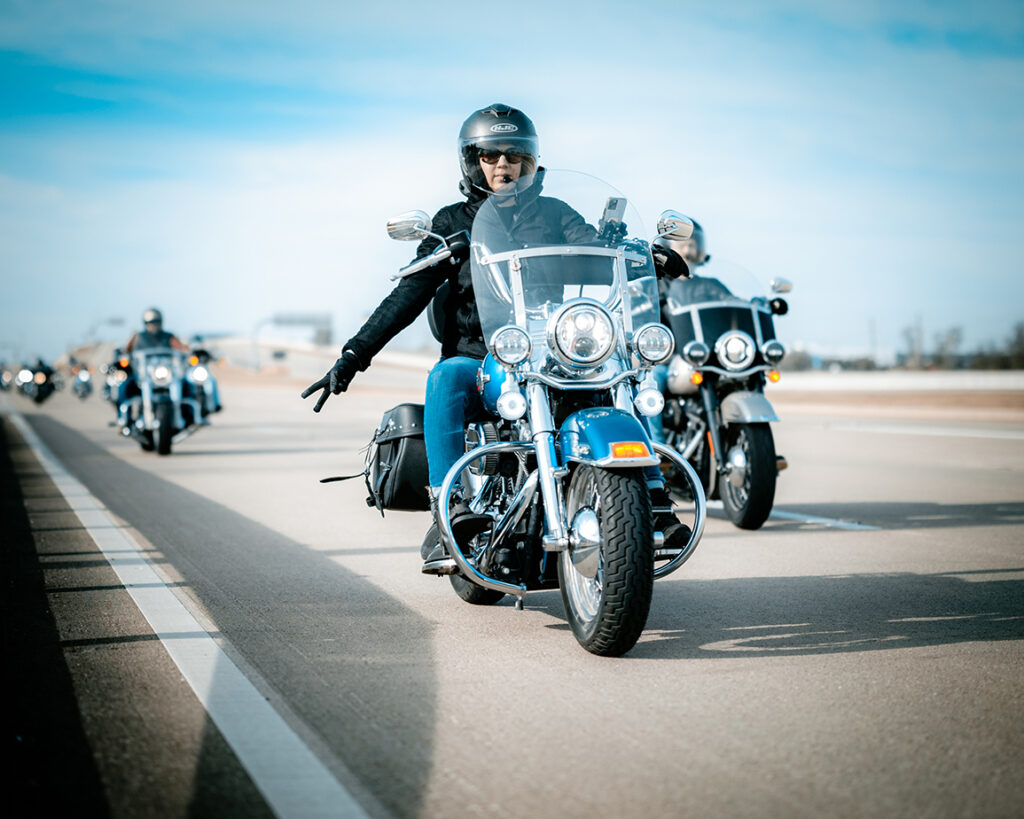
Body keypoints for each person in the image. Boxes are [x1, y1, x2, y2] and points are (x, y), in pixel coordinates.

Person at [302, 104, 689, 570]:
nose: (501, 163)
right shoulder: (450, 224)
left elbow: (593, 248)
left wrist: (638, 253)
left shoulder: (555, 213)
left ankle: (654, 497)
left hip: (554, 352)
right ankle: (448, 511)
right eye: (489, 154)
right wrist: (351, 357)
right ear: (472, 161)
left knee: (620, 374)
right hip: (483, 356)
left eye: (512, 154)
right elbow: (408, 294)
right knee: (445, 377)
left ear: (529, 161)